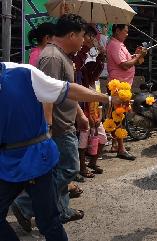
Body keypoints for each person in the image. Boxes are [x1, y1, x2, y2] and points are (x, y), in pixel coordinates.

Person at [0, 62, 122, 241]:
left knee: (48, 222)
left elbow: (67, 90)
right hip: (6, 162)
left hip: (36, 160)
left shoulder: (22, 73)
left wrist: (108, 99)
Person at [13, 14, 91, 228]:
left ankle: (61, 210)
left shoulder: (62, 55)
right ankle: (25, 204)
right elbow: (46, 94)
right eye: (82, 36)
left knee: (57, 170)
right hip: (56, 127)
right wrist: (48, 125)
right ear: (72, 34)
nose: (84, 40)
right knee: (68, 169)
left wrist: (81, 116)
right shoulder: (52, 58)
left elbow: (66, 92)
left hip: (64, 123)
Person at [106, 24, 146, 160]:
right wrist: (138, 56)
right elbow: (125, 65)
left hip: (123, 84)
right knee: (118, 116)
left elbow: (129, 60)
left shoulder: (119, 44)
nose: (127, 34)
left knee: (116, 116)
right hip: (118, 85)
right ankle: (121, 148)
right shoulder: (114, 45)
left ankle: (115, 144)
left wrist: (136, 54)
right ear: (117, 31)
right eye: (125, 31)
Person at [73, 25, 107, 178]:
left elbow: (92, 76)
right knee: (83, 135)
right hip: (80, 101)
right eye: (89, 36)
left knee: (100, 135)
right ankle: (81, 167)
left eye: (94, 37)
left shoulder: (87, 55)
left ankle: (91, 162)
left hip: (91, 98)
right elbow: (82, 80)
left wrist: (101, 58)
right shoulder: (77, 56)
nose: (92, 40)